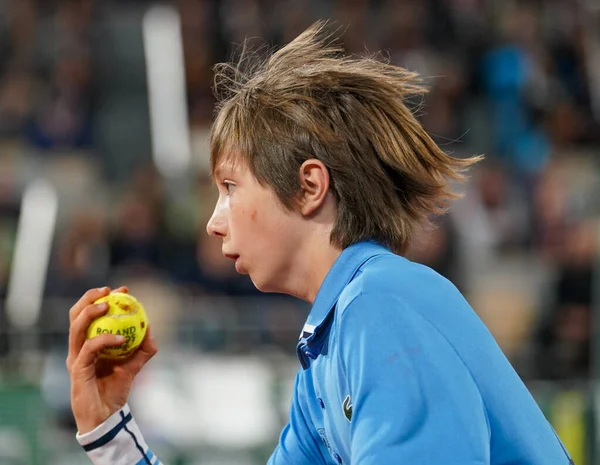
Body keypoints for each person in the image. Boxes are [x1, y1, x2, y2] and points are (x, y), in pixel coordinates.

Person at [67, 22, 573, 464]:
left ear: (310, 186)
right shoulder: (331, 347)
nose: (213, 223)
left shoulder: (380, 308)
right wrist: (110, 432)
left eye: (229, 187)